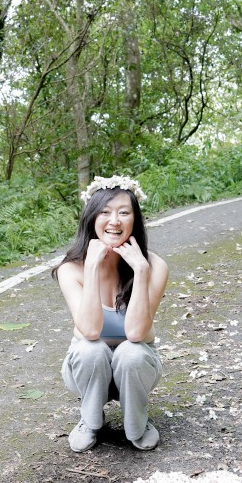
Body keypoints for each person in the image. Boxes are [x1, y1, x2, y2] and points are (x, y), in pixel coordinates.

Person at [53, 175, 169, 452]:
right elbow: (91, 331)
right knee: (91, 349)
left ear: (134, 220)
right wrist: (92, 268)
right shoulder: (71, 269)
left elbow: (137, 333)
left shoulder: (155, 266)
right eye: (105, 212)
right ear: (92, 219)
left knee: (132, 351)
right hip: (88, 368)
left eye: (123, 212)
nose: (114, 221)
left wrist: (140, 271)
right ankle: (90, 422)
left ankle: (137, 424)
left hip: (137, 368)